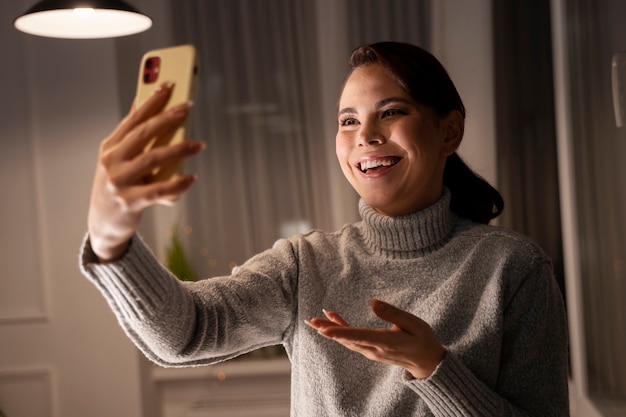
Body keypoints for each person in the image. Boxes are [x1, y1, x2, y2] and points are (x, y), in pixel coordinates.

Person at [80, 41, 569, 416]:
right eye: (348, 120)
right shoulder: (304, 264)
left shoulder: (513, 267)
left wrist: (433, 367)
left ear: (449, 131)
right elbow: (185, 333)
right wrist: (111, 243)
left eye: (392, 112)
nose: (367, 137)